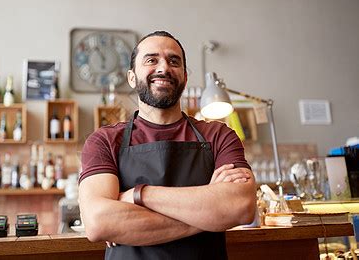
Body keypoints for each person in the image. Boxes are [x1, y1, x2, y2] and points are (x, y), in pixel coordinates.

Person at [79, 31, 256, 259]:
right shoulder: (104, 140)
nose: (163, 68)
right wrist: (208, 215)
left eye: (174, 61)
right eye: (151, 60)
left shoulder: (219, 135)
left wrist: (139, 195)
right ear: (132, 77)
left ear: (184, 76)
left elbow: (240, 206)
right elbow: (98, 222)